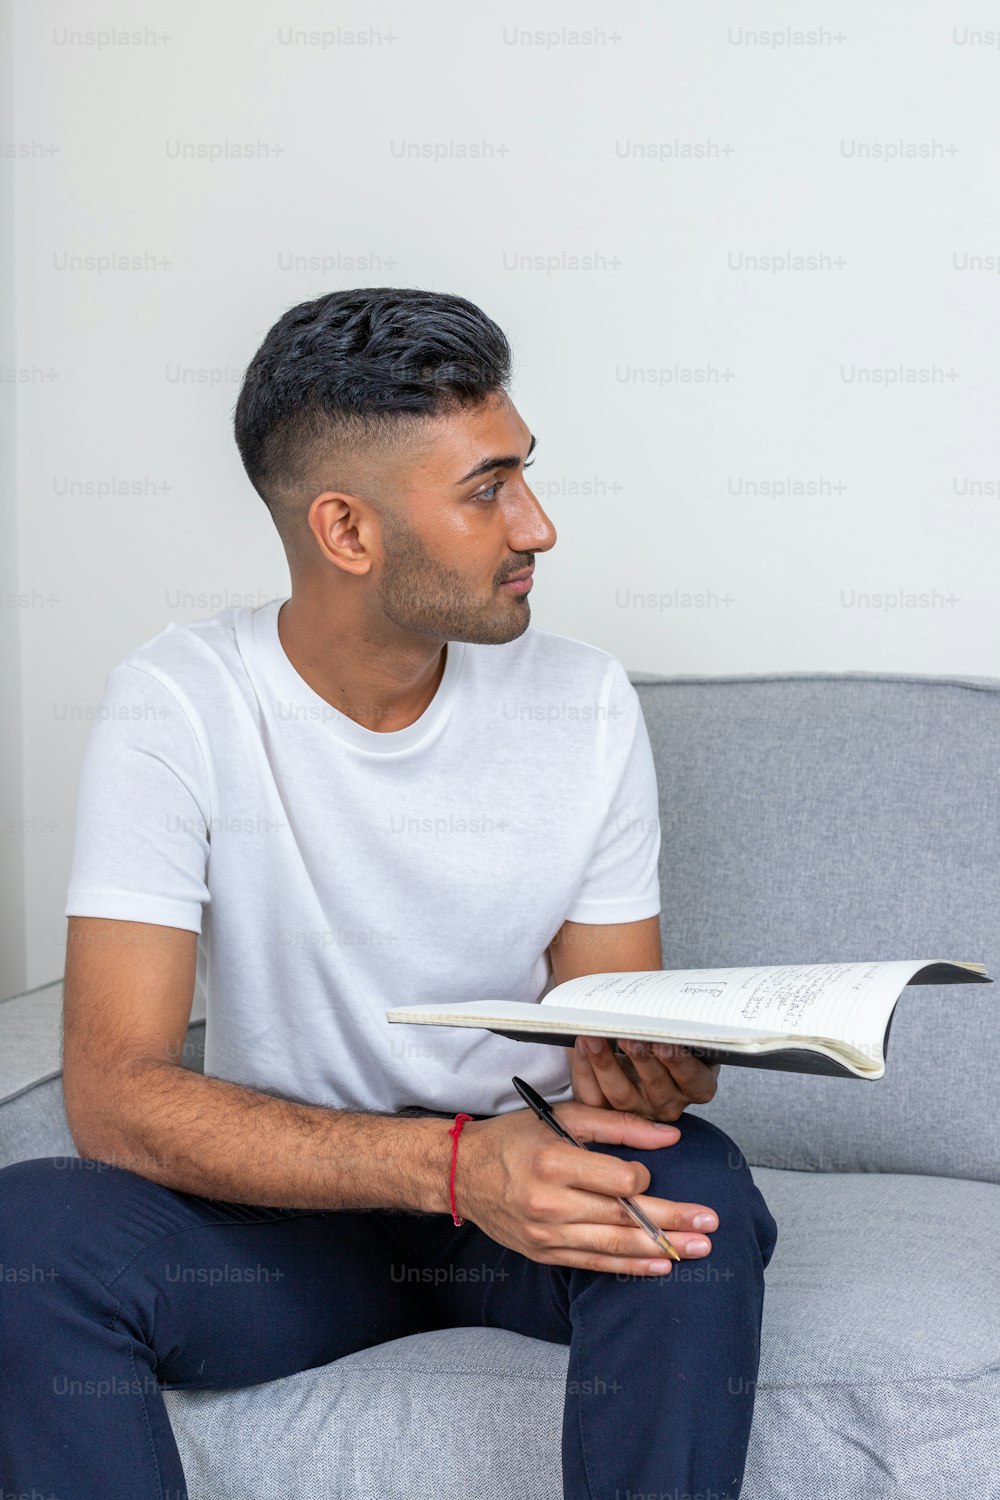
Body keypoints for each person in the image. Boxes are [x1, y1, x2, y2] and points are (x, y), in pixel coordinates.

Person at [0, 288, 777, 1500]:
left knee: (692, 1189)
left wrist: (651, 1063)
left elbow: (606, 1026)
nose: (539, 526)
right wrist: (449, 1164)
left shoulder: (583, 702)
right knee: (23, 1239)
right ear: (346, 532)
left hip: (523, 1199)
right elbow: (114, 1099)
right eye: (486, 491)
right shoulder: (182, 704)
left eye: (524, 474)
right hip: (286, 1222)